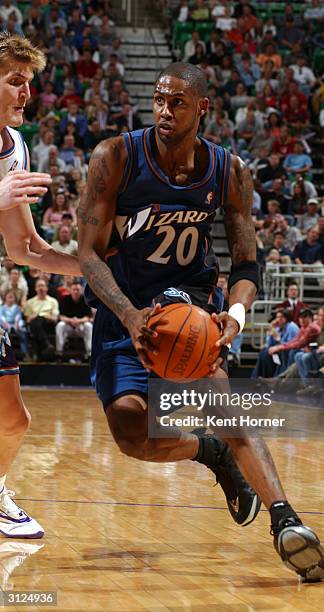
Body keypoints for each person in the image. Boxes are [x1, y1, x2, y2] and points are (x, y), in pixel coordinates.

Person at [78, 62, 324, 581]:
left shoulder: (228, 169)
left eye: (178, 103)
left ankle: (287, 522)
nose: (165, 111)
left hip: (189, 312)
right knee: (129, 429)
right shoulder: (116, 156)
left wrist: (233, 319)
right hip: (127, 311)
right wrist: (127, 315)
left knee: (229, 408)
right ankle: (209, 453)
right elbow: (87, 254)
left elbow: (246, 264)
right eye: (160, 100)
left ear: (203, 109)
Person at [0, 33, 81, 538]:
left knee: (13, 421)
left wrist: (98, 268)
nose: (26, 92)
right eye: (14, 80)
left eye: (29, 82)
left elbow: (24, 248)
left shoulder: (15, 148)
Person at [55, 281, 93, 360]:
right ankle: (59, 352)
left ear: (81, 290)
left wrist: (78, 321)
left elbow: (88, 317)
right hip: (68, 326)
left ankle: (89, 353)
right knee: (60, 325)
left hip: (81, 326)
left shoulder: (85, 300)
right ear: (70, 290)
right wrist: (71, 320)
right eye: (74, 289)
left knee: (89, 326)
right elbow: (61, 317)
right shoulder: (65, 299)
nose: (76, 291)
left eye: (78, 289)